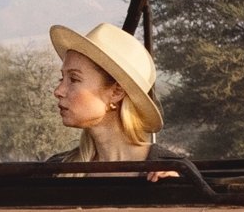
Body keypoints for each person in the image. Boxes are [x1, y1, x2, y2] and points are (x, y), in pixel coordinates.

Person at [50, 23, 167, 164]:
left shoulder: (169, 171)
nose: (58, 91)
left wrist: (174, 184)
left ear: (116, 92)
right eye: (62, 78)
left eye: (74, 79)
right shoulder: (55, 171)